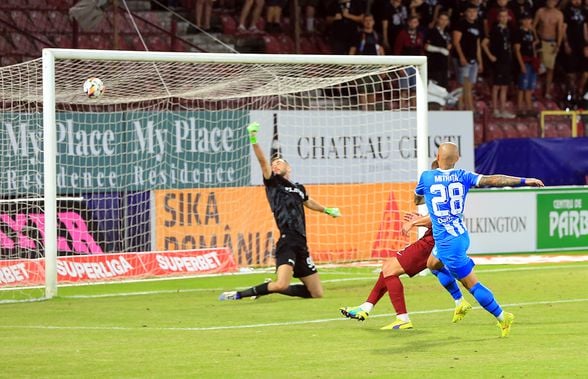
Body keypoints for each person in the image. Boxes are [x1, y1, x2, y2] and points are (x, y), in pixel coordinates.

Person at [415, 142, 544, 337]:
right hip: (459, 235)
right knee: (432, 264)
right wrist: (525, 181)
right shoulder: (464, 176)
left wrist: (430, 191)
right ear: (457, 159)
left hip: (449, 243)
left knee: (471, 284)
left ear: (436, 157)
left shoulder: (427, 177)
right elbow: (495, 179)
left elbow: (417, 200)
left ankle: (502, 317)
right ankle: (460, 302)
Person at [219, 122, 341, 301]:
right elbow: (262, 162)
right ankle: (238, 294)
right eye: (274, 163)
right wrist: (253, 139)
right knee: (281, 284)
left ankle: (268, 287)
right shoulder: (274, 183)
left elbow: (308, 202)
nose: (275, 165)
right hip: (288, 241)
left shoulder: (299, 188)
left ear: (288, 168)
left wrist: (327, 210)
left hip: (302, 244)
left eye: (280, 162)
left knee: (316, 293)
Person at [340, 211, 473, 330]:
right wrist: (422, 221)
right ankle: (366, 307)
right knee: (390, 268)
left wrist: (414, 222)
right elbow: (441, 219)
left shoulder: (435, 186)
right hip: (440, 239)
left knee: (390, 269)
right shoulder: (446, 190)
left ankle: (402, 319)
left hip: (432, 242)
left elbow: (437, 216)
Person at [482, 8, 516, 118]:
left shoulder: (509, 29)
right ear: (498, 18)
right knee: (496, 86)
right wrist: (490, 55)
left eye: (505, 16)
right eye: (501, 16)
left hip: (507, 60)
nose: (504, 18)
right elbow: (484, 43)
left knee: (504, 86)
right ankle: (495, 109)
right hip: (498, 61)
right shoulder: (495, 29)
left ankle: (503, 109)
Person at [452, 4, 484, 111]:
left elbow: (478, 44)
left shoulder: (477, 24)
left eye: (474, 12)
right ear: (465, 12)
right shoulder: (460, 24)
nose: (472, 14)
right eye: (470, 11)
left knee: (469, 86)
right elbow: (456, 42)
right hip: (463, 59)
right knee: (462, 86)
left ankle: (469, 108)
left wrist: (480, 61)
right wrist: (461, 57)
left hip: (473, 59)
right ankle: (462, 108)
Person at [533, 0, 565, 99]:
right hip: (541, 41)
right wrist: (536, 38)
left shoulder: (559, 14)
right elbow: (533, 26)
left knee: (550, 69)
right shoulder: (540, 12)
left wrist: (558, 44)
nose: (551, 2)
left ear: (556, 2)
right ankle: (534, 90)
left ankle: (547, 92)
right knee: (537, 67)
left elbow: (560, 30)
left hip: (551, 42)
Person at [514, 12, 539, 117]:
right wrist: (521, 64)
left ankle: (529, 107)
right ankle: (520, 107)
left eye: (529, 19)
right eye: (526, 20)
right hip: (524, 60)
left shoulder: (530, 32)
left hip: (531, 61)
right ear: (522, 21)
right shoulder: (519, 33)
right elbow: (517, 49)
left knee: (529, 86)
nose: (528, 22)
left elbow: (535, 43)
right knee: (522, 86)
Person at [425, 11, 452, 89]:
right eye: (442, 19)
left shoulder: (446, 33)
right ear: (438, 20)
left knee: (444, 87)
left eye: (445, 20)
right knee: (436, 87)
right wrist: (440, 49)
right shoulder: (432, 31)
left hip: (444, 65)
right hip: (434, 65)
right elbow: (426, 46)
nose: (443, 22)